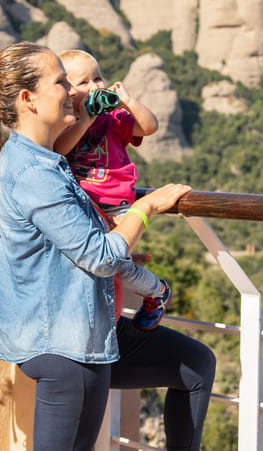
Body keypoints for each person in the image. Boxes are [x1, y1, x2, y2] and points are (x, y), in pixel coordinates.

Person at [0, 42, 216, 451]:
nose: (73, 90)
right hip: (62, 345)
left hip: (81, 328)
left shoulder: (40, 158)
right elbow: (101, 257)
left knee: (196, 364)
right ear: (28, 100)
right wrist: (145, 207)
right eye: (62, 81)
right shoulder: (36, 172)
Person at [55, 49, 170, 324]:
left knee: (117, 264)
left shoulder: (114, 119)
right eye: (83, 82)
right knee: (84, 263)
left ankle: (158, 291)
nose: (94, 86)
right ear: (67, 90)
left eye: (98, 78)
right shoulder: (65, 123)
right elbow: (60, 149)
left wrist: (127, 102)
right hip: (80, 205)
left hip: (115, 205)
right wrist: (84, 120)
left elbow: (149, 126)